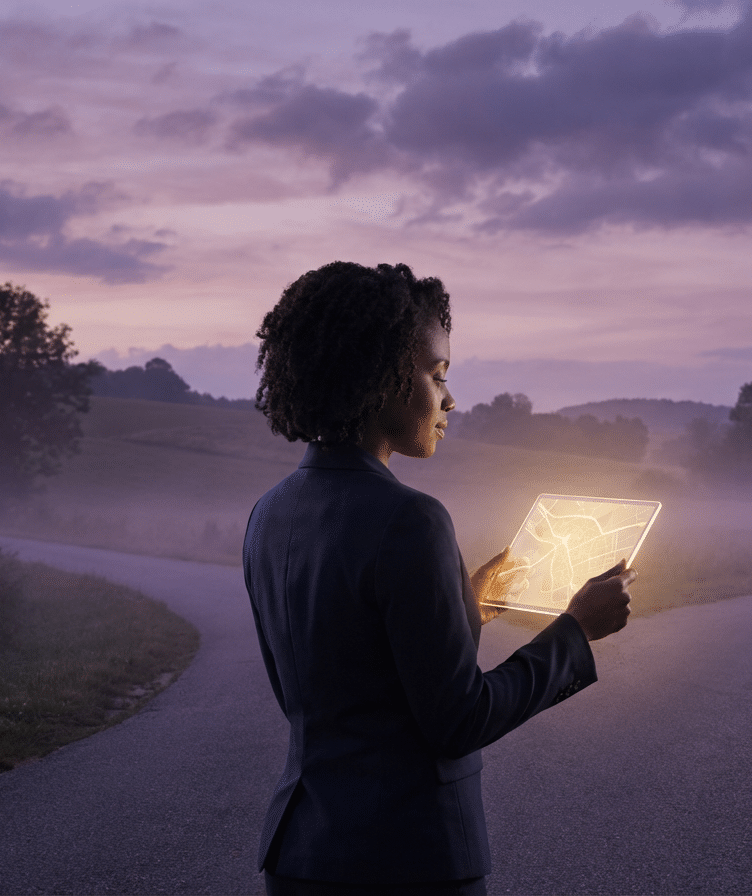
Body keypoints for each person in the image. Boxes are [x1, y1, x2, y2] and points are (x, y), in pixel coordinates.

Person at [243, 261, 636, 896]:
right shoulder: (411, 518)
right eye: (438, 373)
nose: (449, 399)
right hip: (408, 860)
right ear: (381, 377)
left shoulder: (271, 511)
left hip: (300, 854)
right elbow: (459, 720)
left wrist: (467, 605)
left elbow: (353, 660)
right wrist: (575, 631)